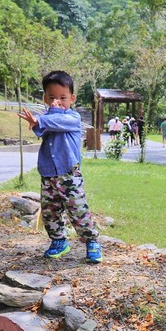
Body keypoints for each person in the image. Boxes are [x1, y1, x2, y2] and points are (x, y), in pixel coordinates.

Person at [17, 70, 102, 264]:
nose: (58, 101)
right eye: (52, 97)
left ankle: (92, 242)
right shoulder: (48, 117)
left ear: (72, 98)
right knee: (50, 211)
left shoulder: (72, 118)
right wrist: (35, 121)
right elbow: (42, 129)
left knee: (77, 209)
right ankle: (58, 241)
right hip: (48, 174)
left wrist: (46, 115)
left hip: (68, 174)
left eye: (63, 97)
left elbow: (56, 121)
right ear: (45, 98)